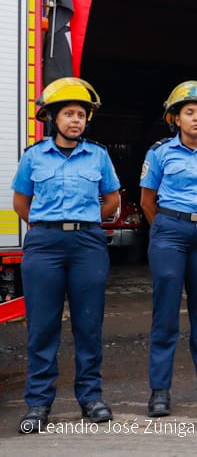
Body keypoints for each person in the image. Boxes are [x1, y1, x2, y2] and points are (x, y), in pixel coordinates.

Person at [13, 78, 120, 433]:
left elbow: (111, 200)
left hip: (87, 245)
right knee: (42, 328)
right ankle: (38, 404)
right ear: (52, 119)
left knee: (88, 326)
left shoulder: (99, 155)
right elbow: (21, 202)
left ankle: (91, 398)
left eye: (81, 114)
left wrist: (84, 223)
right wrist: (48, 227)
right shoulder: (34, 156)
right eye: (69, 114)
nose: (76, 120)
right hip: (44, 246)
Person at [140, 80, 197, 417]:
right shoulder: (160, 153)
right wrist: (169, 228)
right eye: (189, 113)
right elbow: (147, 201)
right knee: (165, 315)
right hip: (169, 231)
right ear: (175, 118)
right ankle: (160, 391)